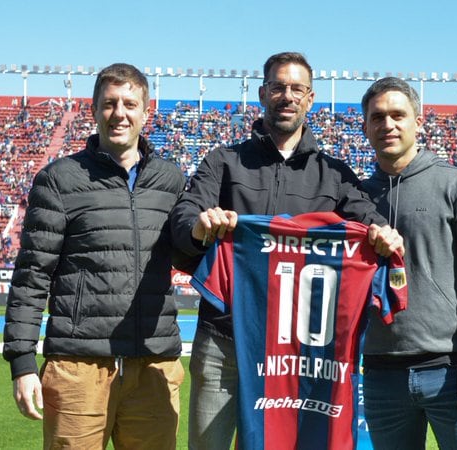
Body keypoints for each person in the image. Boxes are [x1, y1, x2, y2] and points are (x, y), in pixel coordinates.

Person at [169, 51, 404, 450]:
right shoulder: (223, 162)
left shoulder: (334, 173)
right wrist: (199, 225)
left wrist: (383, 232)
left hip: (294, 353)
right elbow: (183, 218)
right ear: (263, 93)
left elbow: (367, 217)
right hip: (223, 341)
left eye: (297, 88)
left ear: (310, 99)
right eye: (278, 87)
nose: (287, 96)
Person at [3, 63, 186, 450]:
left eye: (130, 104)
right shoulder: (59, 180)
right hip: (79, 365)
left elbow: (191, 255)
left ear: (146, 111)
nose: (119, 113)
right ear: (93, 110)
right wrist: (22, 361)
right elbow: (32, 275)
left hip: (153, 364)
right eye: (109, 103)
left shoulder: (171, 181)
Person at [359, 77, 457, 449]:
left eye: (397, 115)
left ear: (418, 122)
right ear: (365, 127)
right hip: (380, 372)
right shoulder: (355, 197)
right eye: (377, 117)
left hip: (451, 370)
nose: (387, 125)